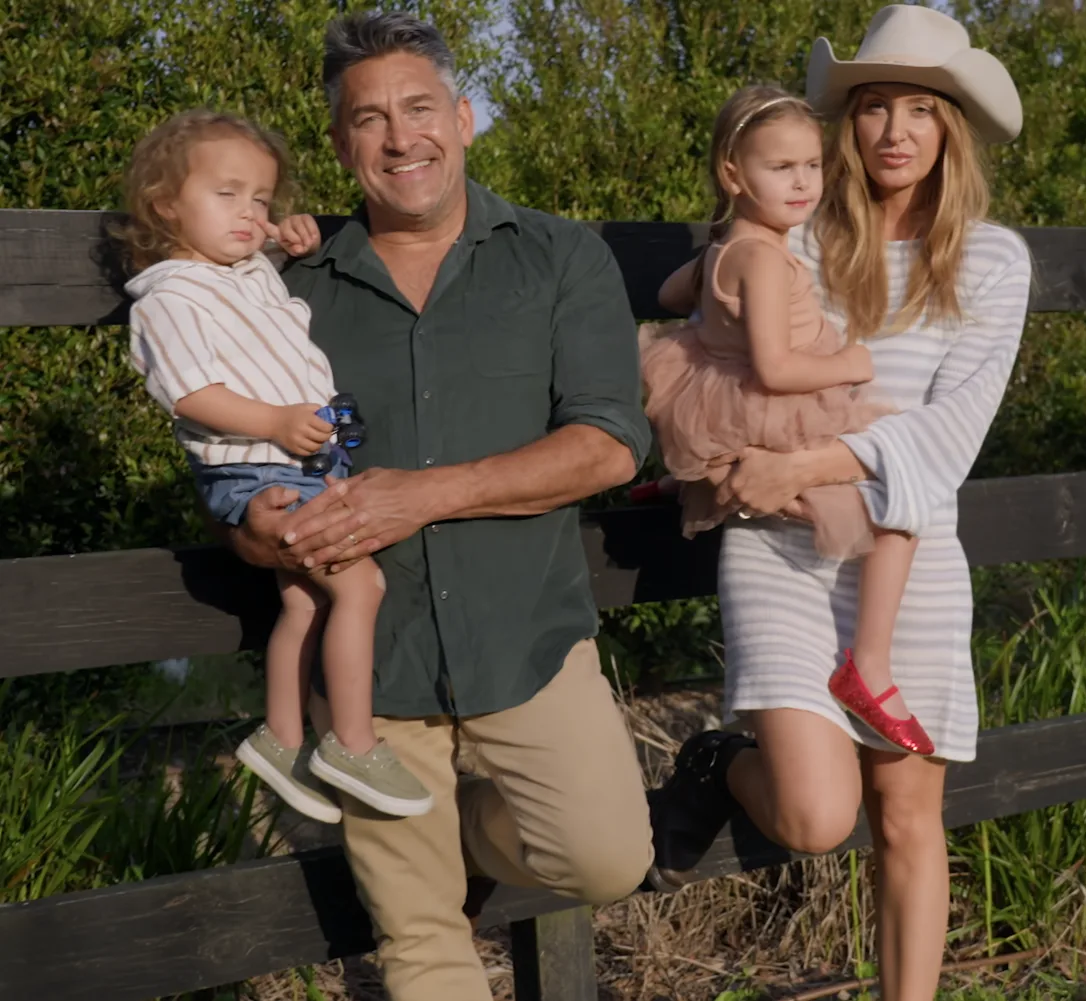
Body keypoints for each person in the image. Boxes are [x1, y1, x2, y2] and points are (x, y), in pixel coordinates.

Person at [214, 11, 654, 1000]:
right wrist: (252, 529)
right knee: (418, 941)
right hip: (374, 674)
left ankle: (458, 830)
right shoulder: (282, 287)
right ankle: (425, 846)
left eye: (420, 108)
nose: (400, 136)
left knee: (605, 858)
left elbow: (610, 442)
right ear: (340, 146)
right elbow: (224, 455)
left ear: (463, 118)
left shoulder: (558, 257)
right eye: (369, 119)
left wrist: (427, 494)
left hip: (525, 642)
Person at [645, 7, 1031, 1000]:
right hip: (780, 547)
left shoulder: (992, 260)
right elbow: (713, 325)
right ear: (847, 124)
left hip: (908, 546)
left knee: (907, 815)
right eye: (873, 108)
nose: (894, 130)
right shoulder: (795, 238)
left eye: (919, 109)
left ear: (952, 128)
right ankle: (718, 764)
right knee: (816, 815)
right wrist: (762, 463)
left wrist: (806, 459)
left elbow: (948, 435)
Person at [118, 109, 431, 825]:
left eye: (260, 198)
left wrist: (290, 238)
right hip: (258, 467)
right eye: (227, 195)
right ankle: (352, 741)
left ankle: (284, 736)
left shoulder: (244, 269)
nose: (249, 212)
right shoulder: (170, 295)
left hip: (302, 461)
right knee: (361, 584)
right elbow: (191, 393)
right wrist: (277, 423)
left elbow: (272, 273)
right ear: (167, 204)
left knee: (305, 599)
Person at [640, 83, 934, 756]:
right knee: (895, 515)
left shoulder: (726, 247)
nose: (804, 184)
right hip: (777, 412)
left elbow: (667, 294)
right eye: (782, 168)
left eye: (812, 166)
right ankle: (870, 667)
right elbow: (774, 368)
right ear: (733, 173)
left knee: (744, 467)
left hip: (721, 403)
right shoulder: (768, 259)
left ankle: (684, 480)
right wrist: (852, 362)